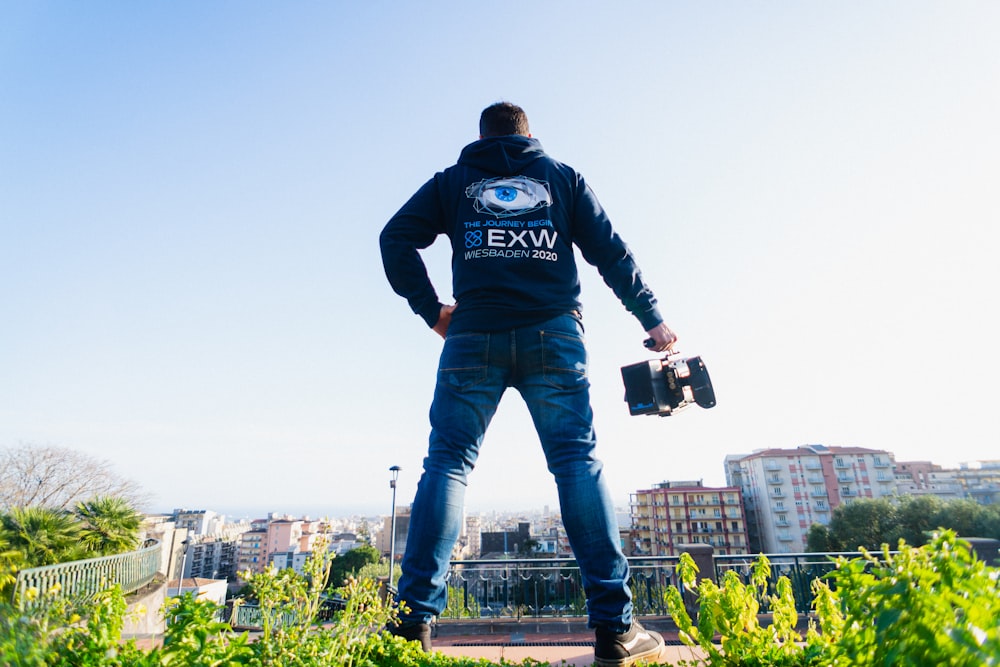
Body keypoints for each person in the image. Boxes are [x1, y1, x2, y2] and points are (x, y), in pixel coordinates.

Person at [379, 102, 677, 666]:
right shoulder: (562, 178)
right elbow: (611, 253)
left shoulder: (453, 183)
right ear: (529, 135)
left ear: (481, 137)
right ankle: (615, 628)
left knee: (447, 464)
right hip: (554, 337)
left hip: (472, 335)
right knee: (576, 464)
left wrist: (432, 312)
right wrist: (652, 318)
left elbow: (394, 238)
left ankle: (411, 624)